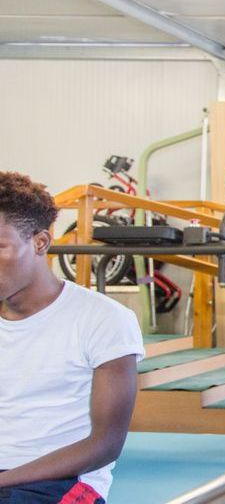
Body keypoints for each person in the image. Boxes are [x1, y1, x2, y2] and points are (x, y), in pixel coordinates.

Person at [0, 172, 144, 504]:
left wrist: (5, 479)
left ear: (40, 242)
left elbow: (105, 444)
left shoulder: (103, 319)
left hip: (60, 481)